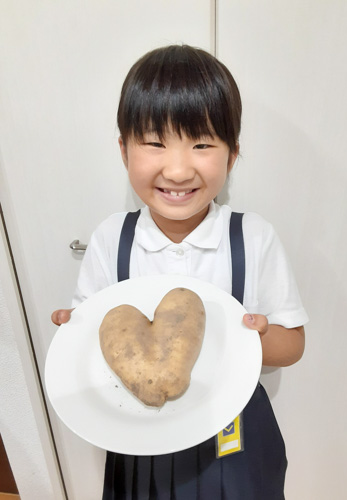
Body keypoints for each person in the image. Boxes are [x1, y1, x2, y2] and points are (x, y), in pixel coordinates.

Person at [52, 44, 308, 499]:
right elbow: (93, 335)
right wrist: (74, 334)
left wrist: (252, 334)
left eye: (202, 143)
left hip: (235, 436)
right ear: (123, 150)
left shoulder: (252, 237)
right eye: (154, 143)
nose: (176, 167)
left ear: (231, 156)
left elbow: (292, 346)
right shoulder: (112, 238)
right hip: (139, 437)